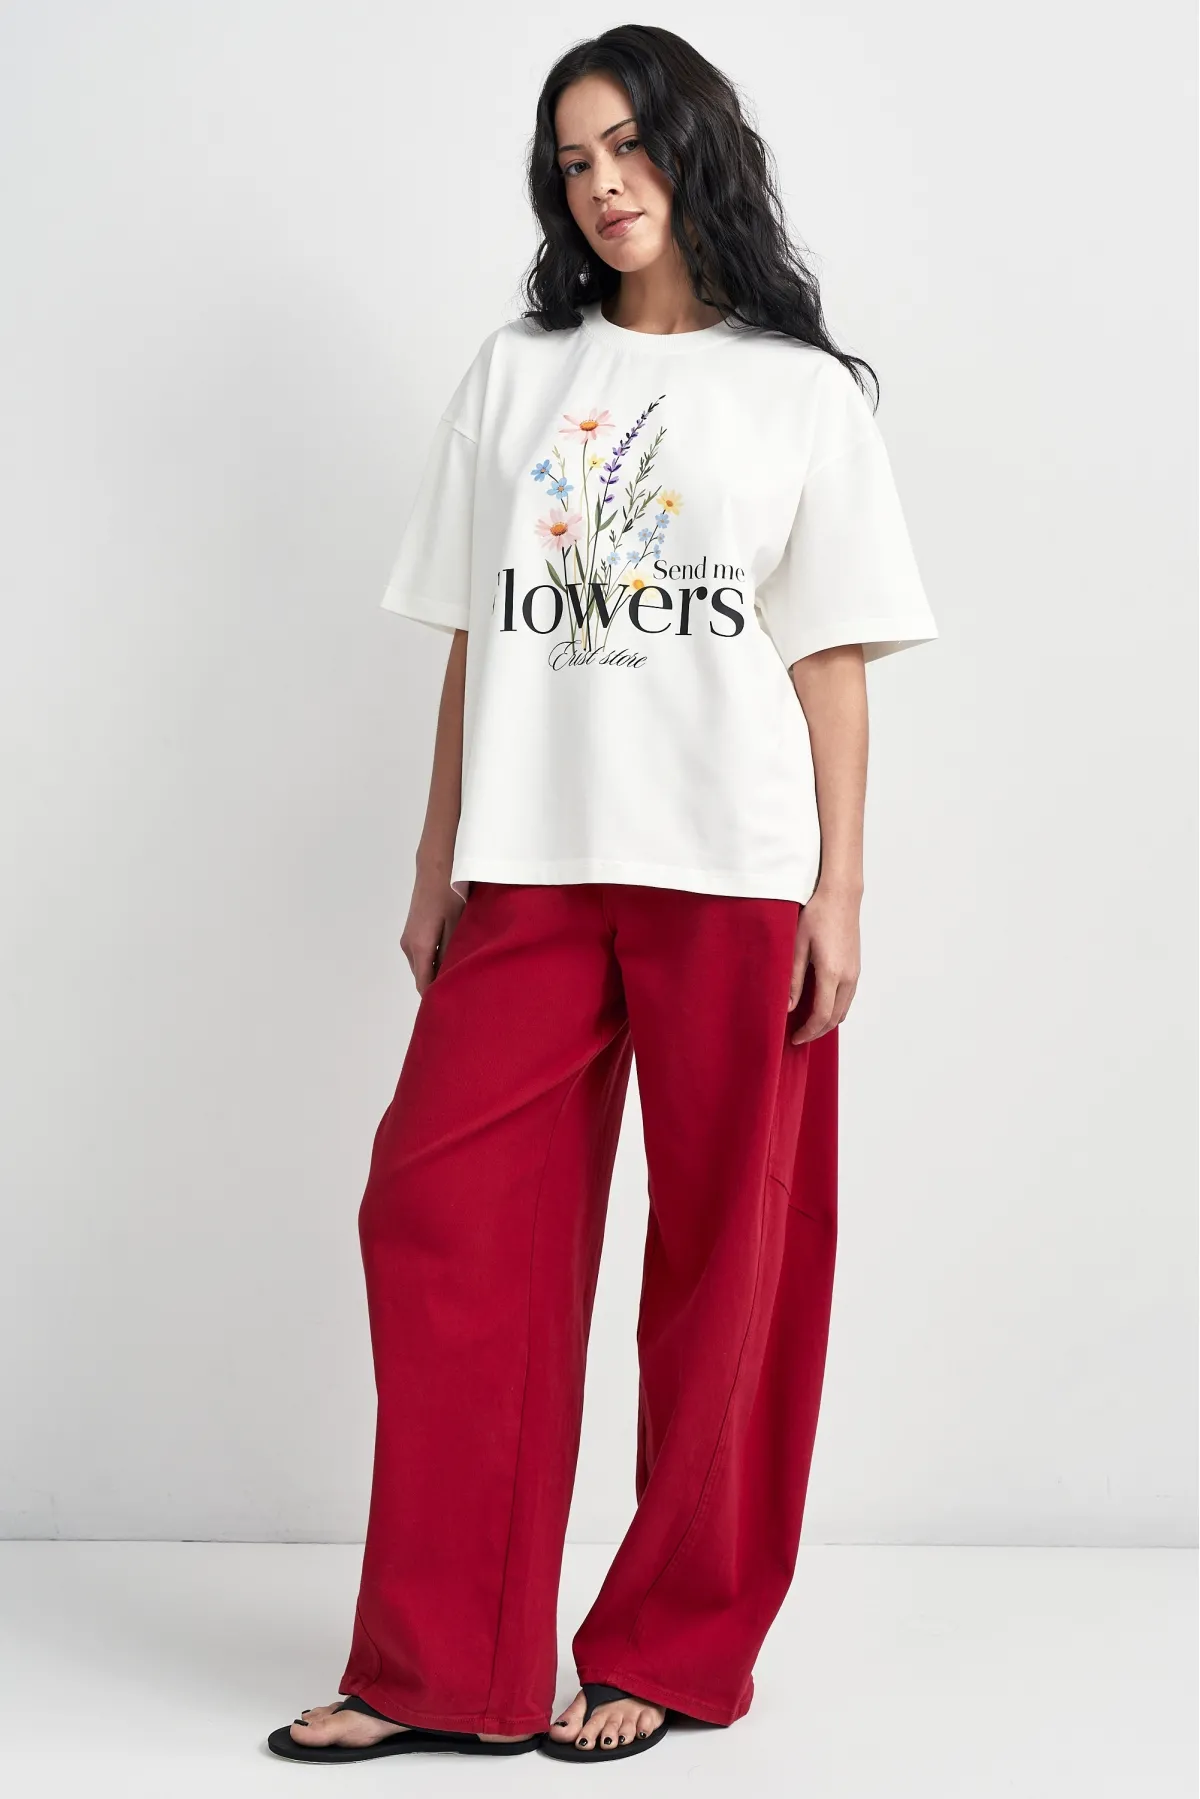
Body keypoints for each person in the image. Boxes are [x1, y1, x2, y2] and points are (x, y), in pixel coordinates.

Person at [267, 21, 937, 1769]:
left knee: (734, 1265)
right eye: (574, 161)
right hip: (535, 864)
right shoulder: (517, 373)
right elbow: (477, 637)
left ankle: (674, 1646)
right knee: (439, 1220)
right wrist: (439, 856)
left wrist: (841, 891)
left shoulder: (801, 392)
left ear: (697, 151)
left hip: (736, 872)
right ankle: (443, 1667)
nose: (604, 184)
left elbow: (831, 658)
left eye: (630, 145)